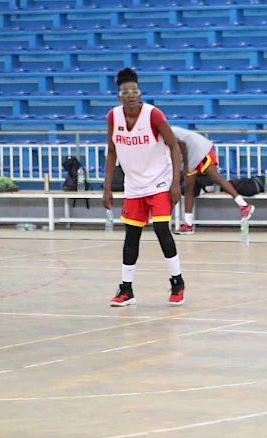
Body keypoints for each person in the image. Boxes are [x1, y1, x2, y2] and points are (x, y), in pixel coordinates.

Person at [102, 68, 185, 307]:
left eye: (134, 90)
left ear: (139, 93)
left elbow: (175, 146)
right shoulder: (113, 117)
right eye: (125, 91)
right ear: (119, 96)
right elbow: (111, 152)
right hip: (134, 185)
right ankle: (126, 289)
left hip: (159, 181)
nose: (130, 95)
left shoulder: (153, 115)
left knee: (161, 230)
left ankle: (177, 281)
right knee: (131, 236)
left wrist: (176, 182)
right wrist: (107, 188)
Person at [172, 126, 254, 234]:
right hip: (190, 153)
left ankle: (244, 205)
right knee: (188, 188)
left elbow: (181, 144)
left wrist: (186, 164)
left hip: (199, 149)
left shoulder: (162, 130)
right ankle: (188, 224)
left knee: (216, 177)